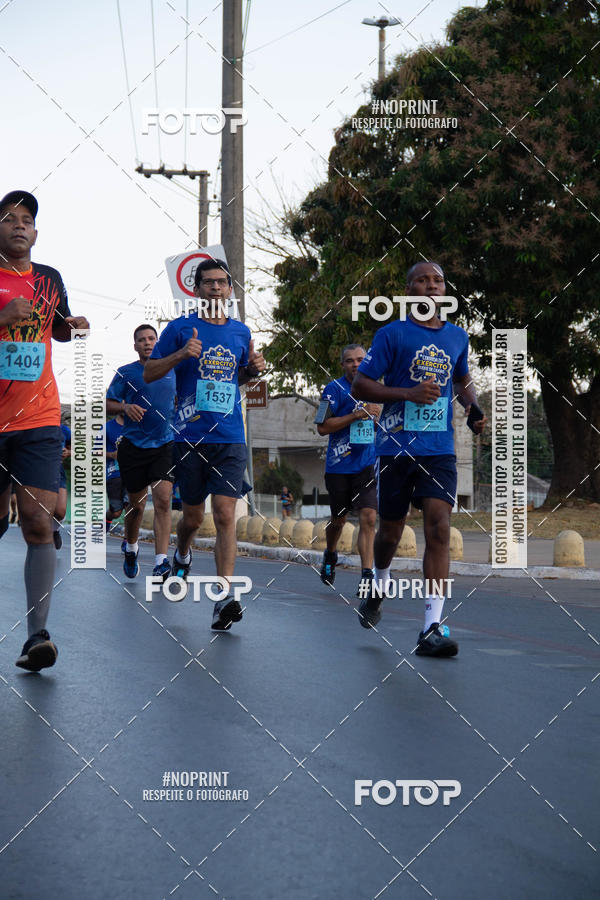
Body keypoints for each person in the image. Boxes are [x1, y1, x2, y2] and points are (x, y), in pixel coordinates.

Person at [352, 261, 487, 657]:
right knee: (390, 533)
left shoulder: (457, 337)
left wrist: (473, 407)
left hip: (439, 449)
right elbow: (362, 384)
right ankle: (378, 582)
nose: (431, 286)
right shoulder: (391, 333)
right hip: (395, 449)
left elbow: (461, 380)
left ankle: (431, 627)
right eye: (422, 280)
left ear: (445, 290)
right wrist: (407, 394)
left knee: (439, 528)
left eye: (438, 281)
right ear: (409, 290)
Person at [144, 257, 265, 630]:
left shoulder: (241, 332)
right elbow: (150, 371)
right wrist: (181, 354)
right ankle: (182, 553)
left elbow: (238, 378)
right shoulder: (180, 328)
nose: (215, 288)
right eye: (208, 282)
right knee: (194, 518)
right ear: (196, 290)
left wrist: (253, 369)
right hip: (190, 435)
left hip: (229, 436)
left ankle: (224, 596)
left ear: (230, 290)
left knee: (226, 515)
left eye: (222, 283)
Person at [0, 189, 89, 671]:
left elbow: (57, 328)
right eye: (9, 218)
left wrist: (73, 324)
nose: (20, 226)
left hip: (37, 417)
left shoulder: (49, 278)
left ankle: (37, 636)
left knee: (38, 521)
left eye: (27, 220)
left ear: (35, 232)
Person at [106, 324, 176, 581]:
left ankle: (161, 561)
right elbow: (107, 402)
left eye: (151, 339)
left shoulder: (172, 369)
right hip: (133, 448)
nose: (147, 343)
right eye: (141, 340)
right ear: (135, 346)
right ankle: (131, 547)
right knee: (136, 507)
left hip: (165, 444)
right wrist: (125, 407)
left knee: (163, 498)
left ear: (158, 342)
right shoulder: (126, 373)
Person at [317, 344, 381, 596]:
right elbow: (322, 427)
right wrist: (356, 415)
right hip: (338, 467)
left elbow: (379, 425)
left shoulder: (376, 387)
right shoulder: (333, 389)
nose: (355, 364)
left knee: (369, 517)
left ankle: (367, 574)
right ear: (343, 365)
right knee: (339, 520)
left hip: (366, 465)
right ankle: (330, 553)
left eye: (360, 360)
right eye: (350, 361)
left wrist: (376, 420)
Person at [105, 411, 127, 534]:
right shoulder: (107, 427)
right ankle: (108, 518)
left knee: (132, 507)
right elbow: (94, 452)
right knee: (116, 512)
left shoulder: (138, 426)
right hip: (114, 474)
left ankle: (129, 542)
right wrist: (111, 454)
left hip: (132, 474)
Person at [52, 420, 71, 550]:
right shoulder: (34, 425)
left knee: (60, 512)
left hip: (57, 470)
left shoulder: (64, 429)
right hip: (36, 469)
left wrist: (68, 452)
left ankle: (54, 530)